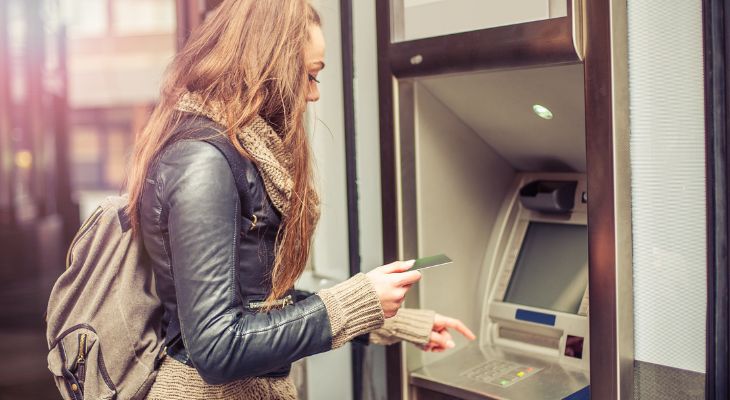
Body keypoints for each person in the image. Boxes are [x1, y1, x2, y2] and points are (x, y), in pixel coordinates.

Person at [124, 1, 475, 398]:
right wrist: (358, 299)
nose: (314, 94)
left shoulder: (233, 152)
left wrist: (391, 320)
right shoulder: (204, 159)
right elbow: (216, 346)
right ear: (268, 68)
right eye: (310, 75)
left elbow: (260, 305)